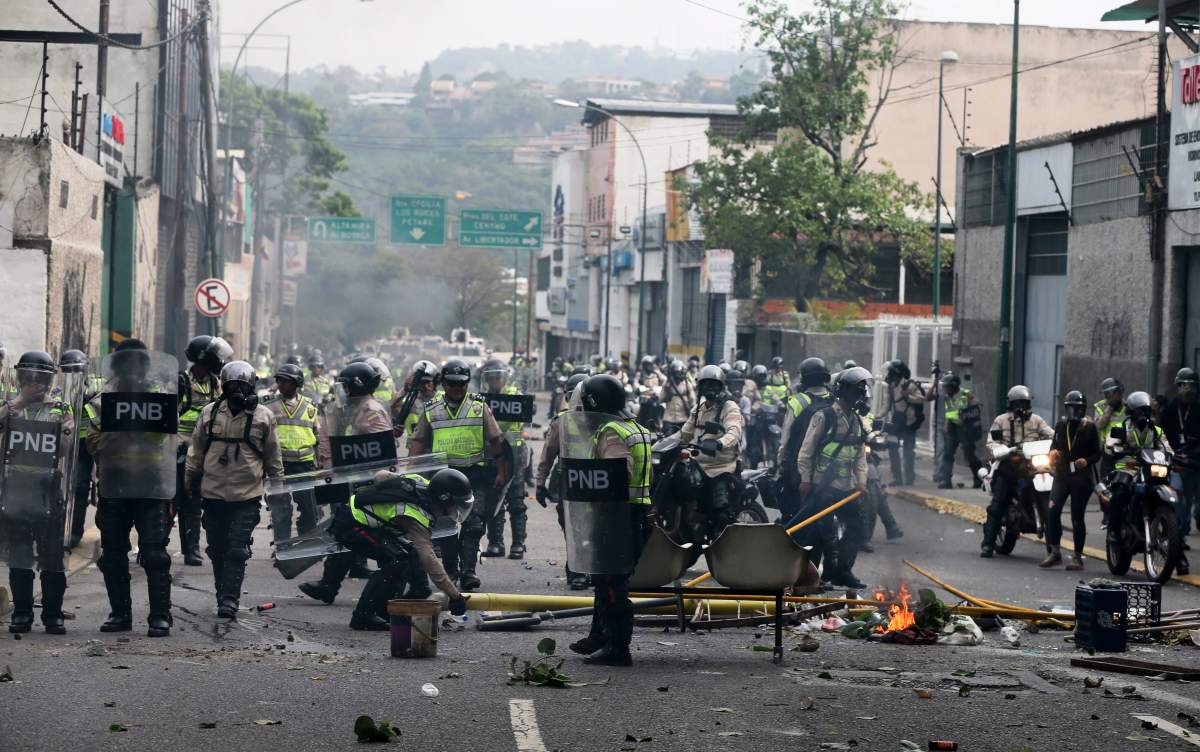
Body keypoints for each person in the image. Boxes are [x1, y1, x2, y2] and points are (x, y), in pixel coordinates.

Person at [84, 339, 177, 637]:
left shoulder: (158, 399)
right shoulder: (101, 401)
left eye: (138, 365)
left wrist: (137, 426)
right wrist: (119, 430)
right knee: (112, 555)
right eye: (126, 365)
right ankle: (120, 614)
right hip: (114, 485)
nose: (132, 371)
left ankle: (160, 616)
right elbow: (92, 445)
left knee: (154, 554)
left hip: (151, 486)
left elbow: (164, 441)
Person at [566, 374, 654, 667]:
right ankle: (600, 636)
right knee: (602, 578)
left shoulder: (612, 432)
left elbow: (618, 474)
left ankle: (618, 647)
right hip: (633, 514)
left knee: (614, 582)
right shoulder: (635, 427)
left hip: (618, 517)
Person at [185, 361, 284, 619]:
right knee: (217, 548)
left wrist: (279, 488)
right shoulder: (209, 412)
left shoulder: (264, 416)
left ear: (251, 388)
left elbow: (273, 457)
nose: (237, 392)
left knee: (236, 549)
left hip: (246, 496)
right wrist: (187, 481)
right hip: (213, 494)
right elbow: (195, 451)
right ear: (224, 388)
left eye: (242, 386)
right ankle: (222, 593)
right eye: (232, 386)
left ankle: (229, 599)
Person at [323, 469, 472, 630]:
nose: (457, 509)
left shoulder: (421, 482)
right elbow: (429, 559)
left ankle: (385, 611)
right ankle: (363, 616)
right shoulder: (414, 516)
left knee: (404, 557)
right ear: (444, 499)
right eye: (456, 504)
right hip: (351, 524)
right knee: (394, 561)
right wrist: (454, 596)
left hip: (365, 522)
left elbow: (380, 475)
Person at [298, 362, 396, 603]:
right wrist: (328, 466)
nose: (340, 389)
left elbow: (383, 450)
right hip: (345, 481)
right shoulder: (343, 408)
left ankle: (411, 582)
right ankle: (329, 585)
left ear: (356, 385)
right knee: (345, 531)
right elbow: (327, 435)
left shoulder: (373, 411)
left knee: (371, 535)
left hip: (368, 484)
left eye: (344, 384)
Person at [408, 358, 507, 591]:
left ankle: (468, 571)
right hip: (442, 477)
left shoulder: (478, 406)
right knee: (446, 527)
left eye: (462, 384)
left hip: (474, 475)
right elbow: (419, 440)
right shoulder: (431, 408)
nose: (457, 388)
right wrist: (412, 471)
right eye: (452, 384)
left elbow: (496, 440)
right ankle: (451, 572)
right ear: (443, 383)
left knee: (474, 524)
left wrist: (502, 471)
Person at [1, 352, 78, 634]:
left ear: (48, 380)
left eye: (40, 378)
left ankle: (52, 613)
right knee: (19, 552)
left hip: (47, 488)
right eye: (28, 378)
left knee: (52, 554)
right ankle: (21, 613)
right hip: (16, 488)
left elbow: (67, 450)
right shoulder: (10, 406)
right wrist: (17, 402)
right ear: (21, 379)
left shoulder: (60, 408)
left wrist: (63, 433)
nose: (34, 383)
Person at [796, 366, 873, 589]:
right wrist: (805, 480)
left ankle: (841, 572)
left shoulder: (857, 421)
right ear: (845, 392)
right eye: (857, 392)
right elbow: (806, 451)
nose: (861, 396)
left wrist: (861, 482)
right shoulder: (825, 417)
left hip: (847, 486)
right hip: (823, 485)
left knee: (858, 527)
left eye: (862, 392)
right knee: (821, 532)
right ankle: (810, 578)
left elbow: (860, 456)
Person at [1105, 391, 1181, 569]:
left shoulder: (1156, 430)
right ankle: (1114, 530)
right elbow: (1110, 443)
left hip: (1151, 470)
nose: (1144, 415)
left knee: (1169, 498)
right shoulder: (1121, 427)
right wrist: (1115, 448)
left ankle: (1173, 542)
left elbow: (1166, 447)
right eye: (1140, 411)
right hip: (1128, 467)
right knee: (1121, 491)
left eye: (1147, 411)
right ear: (1131, 413)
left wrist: (1173, 456)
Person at [669, 365, 745, 540]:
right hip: (698, 464)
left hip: (721, 467)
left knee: (722, 513)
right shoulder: (698, 409)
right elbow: (684, 433)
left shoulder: (729, 407)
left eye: (713, 385)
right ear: (700, 387)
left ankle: (726, 545)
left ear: (721, 387)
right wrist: (662, 442)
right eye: (705, 385)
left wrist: (719, 443)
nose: (709, 388)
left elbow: (734, 432)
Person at [176, 335, 232, 566]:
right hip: (179, 449)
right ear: (204, 358)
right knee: (179, 499)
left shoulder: (215, 382)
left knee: (198, 500)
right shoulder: (180, 382)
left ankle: (195, 547)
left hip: (206, 450)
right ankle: (175, 545)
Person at [981, 385, 1054, 558]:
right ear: (1011, 404)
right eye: (1017, 403)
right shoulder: (1001, 420)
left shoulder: (1037, 420)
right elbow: (991, 441)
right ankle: (988, 544)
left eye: (1024, 403)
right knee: (998, 504)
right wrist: (1002, 449)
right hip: (1008, 466)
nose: (1021, 407)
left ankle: (1053, 546)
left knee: (1051, 497)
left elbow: (1051, 434)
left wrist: (1056, 444)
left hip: (1031, 465)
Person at [535, 372, 591, 589]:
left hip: (597, 480)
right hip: (570, 480)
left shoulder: (604, 421)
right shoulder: (562, 422)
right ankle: (577, 570)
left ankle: (592, 569)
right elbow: (548, 454)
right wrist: (540, 483)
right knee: (572, 526)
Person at [1040, 390, 1102, 570]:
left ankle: (1077, 556)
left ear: (1083, 410)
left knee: (1077, 516)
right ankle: (1054, 551)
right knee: (1052, 511)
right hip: (1062, 475)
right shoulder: (1061, 425)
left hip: (1081, 478)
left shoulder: (1089, 428)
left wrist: (1087, 461)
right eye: (1070, 408)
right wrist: (1053, 453)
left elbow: (1097, 453)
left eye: (1077, 408)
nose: (1073, 412)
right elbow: (1054, 445)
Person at [480, 358, 530, 560]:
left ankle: (518, 543)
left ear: (504, 378)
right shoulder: (482, 400)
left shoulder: (515, 396)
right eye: (491, 378)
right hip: (492, 453)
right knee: (493, 499)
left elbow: (517, 420)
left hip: (514, 454)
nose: (494, 381)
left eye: (497, 377)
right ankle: (495, 542)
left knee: (516, 500)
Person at [266, 363, 320, 541]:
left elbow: (318, 435)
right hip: (279, 465)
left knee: (309, 508)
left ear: (296, 383)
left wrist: (321, 463)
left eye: (285, 381)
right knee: (280, 508)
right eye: (279, 380)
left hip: (305, 464)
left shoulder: (311, 407)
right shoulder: (269, 407)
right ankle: (283, 547)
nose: (280, 384)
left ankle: (307, 546)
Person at [777, 358, 835, 520]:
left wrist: (781, 461)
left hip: (798, 464)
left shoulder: (797, 401)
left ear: (804, 379)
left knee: (791, 510)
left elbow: (786, 438)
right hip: (829, 465)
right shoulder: (835, 400)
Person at [61, 349, 101, 550]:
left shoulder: (94, 384)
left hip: (92, 441)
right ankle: (72, 531)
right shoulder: (60, 387)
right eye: (68, 371)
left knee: (92, 486)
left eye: (75, 370)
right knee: (75, 487)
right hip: (71, 443)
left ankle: (80, 531)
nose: (72, 374)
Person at [1161, 368, 1200, 538]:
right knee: (1177, 498)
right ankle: (1176, 532)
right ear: (1178, 386)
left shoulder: (1199, 408)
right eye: (1185, 385)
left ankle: (1182, 531)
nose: (1189, 389)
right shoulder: (1170, 409)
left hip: (1194, 462)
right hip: (1175, 461)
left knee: (1190, 498)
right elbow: (1161, 433)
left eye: (1192, 386)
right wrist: (1169, 452)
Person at [930, 371, 983, 489]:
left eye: (947, 387)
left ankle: (978, 478)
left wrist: (949, 423)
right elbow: (951, 411)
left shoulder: (964, 394)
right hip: (953, 427)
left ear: (953, 386)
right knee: (948, 454)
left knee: (969, 454)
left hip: (965, 428)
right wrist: (948, 424)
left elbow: (960, 409)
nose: (945, 389)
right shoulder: (948, 396)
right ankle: (946, 480)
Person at [882, 359, 926, 487]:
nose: (889, 375)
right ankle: (897, 477)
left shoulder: (909, 385)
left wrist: (908, 396)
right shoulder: (891, 387)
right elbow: (886, 405)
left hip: (909, 423)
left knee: (908, 451)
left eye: (891, 373)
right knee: (892, 448)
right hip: (896, 422)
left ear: (898, 374)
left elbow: (921, 399)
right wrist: (876, 416)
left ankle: (909, 478)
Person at [660, 360, 695, 436]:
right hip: (669, 419)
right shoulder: (667, 384)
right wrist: (667, 391)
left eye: (678, 373)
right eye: (675, 373)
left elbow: (692, 401)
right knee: (666, 441)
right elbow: (661, 399)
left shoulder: (687, 384)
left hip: (683, 419)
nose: (677, 376)